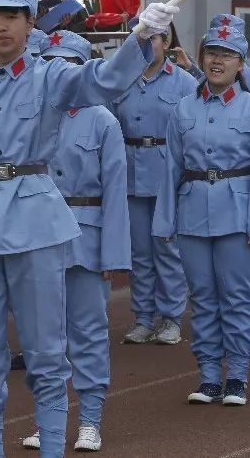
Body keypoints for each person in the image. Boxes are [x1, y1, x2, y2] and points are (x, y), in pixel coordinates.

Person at [0, 0, 178, 458]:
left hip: (36, 220)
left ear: (29, 23)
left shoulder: (49, 76)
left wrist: (140, 38)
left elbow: (101, 80)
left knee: (45, 349)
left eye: (13, 17)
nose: (1, 26)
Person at [154, 23, 250, 408]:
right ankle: (208, 375)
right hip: (192, 212)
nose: (217, 60)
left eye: (227, 54)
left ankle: (237, 375)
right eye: (211, 52)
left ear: (241, 63)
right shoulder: (184, 108)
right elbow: (171, 166)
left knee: (236, 296)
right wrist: (164, 219)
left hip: (237, 214)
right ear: (202, 57)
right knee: (203, 297)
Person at [21, 31, 130, 453]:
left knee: (87, 332)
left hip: (87, 237)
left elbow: (116, 192)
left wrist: (114, 254)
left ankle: (89, 420)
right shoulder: (32, 115)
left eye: (70, 64)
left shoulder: (103, 119)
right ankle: (46, 418)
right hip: (40, 233)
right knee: (43, 336)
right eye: (54, 64)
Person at [109, 22, 193, 347]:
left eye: (153, 38)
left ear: (166, 40)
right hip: (130, 172)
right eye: (140, 38)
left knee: (167, 248)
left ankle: (171, 317)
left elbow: (192, 133)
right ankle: (143, 317)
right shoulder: (121, 82)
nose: (147, 44)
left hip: (167, 173)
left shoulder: (184, 82)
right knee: (139, 252)